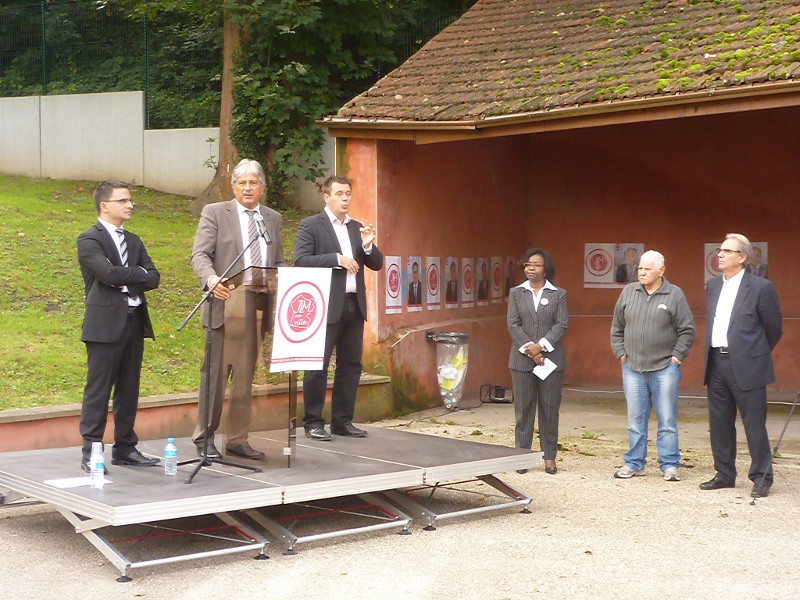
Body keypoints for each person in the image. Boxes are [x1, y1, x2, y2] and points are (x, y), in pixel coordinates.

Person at [190, 159, 285, 460]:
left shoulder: (272, 218)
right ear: (233, 187)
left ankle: (237, 439)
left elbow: (278, 261)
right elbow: (200, 255)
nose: (247, 187)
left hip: (257, 308)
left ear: (262, 188)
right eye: (242, 182)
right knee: (216, 377)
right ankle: (204, 437)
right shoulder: (216, 212)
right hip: (225, 305)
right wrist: (211, 278)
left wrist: (287, 279)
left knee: (244, 378)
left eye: (253, 183)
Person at [77, 181, 160, 472]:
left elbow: (154, 277)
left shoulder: (134, 241)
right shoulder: (90, 239)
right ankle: (92, 451)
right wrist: (134, 273)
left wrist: (128, 275)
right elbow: (107, 274)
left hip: (134, 322)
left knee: (129, 388)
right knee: (98, 390)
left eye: (130, 200)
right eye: (123, 200)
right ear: (105, 205)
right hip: (104, 325)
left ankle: (125, 447)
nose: (130, 205)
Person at [293, 175, 384, 440]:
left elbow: (377, 263)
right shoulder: (311, 225)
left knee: (351, 365)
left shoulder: (357, 228)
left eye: (348, 194)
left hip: (354, 306)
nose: (345, 199)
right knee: (317, 366)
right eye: (340, 194)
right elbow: (300, 260)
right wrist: (337, 260)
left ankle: (343, 421)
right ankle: (313, 422)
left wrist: (367, 246)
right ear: (327, 197)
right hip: (324, 305)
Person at [700, 233, 782, 498]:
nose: (720, 254)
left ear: (742, 257)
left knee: (754, 423)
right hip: (716, 362)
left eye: (726, 250)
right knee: (720, 422)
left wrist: (753, 352)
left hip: (748, 365)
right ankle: (724, 473)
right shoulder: (713, 285)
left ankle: (761, 476)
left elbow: (773, 329)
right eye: (719, 250)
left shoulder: (760, 287)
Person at [610, 250, 695, 482]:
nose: (642, 272)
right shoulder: (629, 292)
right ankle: (634, 463)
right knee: (635, 420)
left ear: (661, 270)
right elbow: (617, 328)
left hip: (664, 369)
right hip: (632, 368)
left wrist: (677, 357)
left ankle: (669, 465)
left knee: (667, 420)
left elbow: (687, 330)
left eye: (647, 268)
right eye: (640, 268)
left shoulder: (674, 294)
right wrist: (621, 354)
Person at [507, 248, 567, 474]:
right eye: (527, 264)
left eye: (536, 265)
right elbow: (513, 324)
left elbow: (561, 324)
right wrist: (531, 351)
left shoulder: (558, 294)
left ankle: (549, 457)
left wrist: (541, 346)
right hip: (521, 361)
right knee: (524, 410)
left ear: (546, 268)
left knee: (549, 409)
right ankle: (521, 456)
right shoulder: (516, 293)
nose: (531, 268)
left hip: (551, 360)